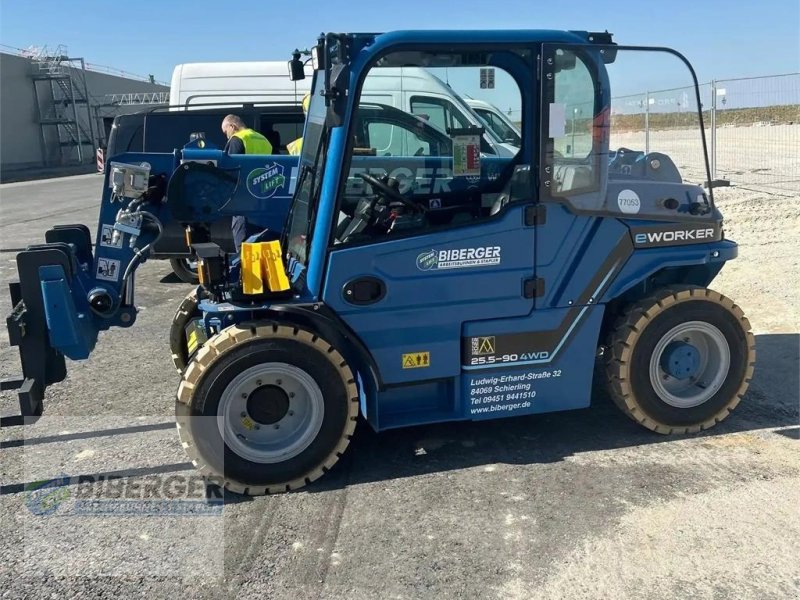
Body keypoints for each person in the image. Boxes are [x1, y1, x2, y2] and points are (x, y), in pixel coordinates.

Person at [221, 114, 273, 251]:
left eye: (226, 131)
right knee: (262, 244)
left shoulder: (237, 139)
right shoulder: (264, 140)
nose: (226, 136)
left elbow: (231, 170)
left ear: (232, 126)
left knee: (243, 246)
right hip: (263, 200)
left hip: (243, 200)